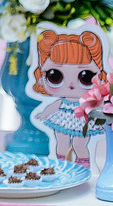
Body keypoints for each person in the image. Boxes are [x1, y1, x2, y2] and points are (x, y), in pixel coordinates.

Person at [31, 29, 108, 167]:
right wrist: (44, 114)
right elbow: (54, 106)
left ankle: (83, 168)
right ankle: (61, 166)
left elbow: (95, 110)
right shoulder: (61, 102)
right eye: (55, 76)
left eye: (85, 77)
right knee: (61, 144)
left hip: (83, 122)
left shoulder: (89, 102)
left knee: (79, 145)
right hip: (62, 119)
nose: (71, 85)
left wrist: (102, 120)